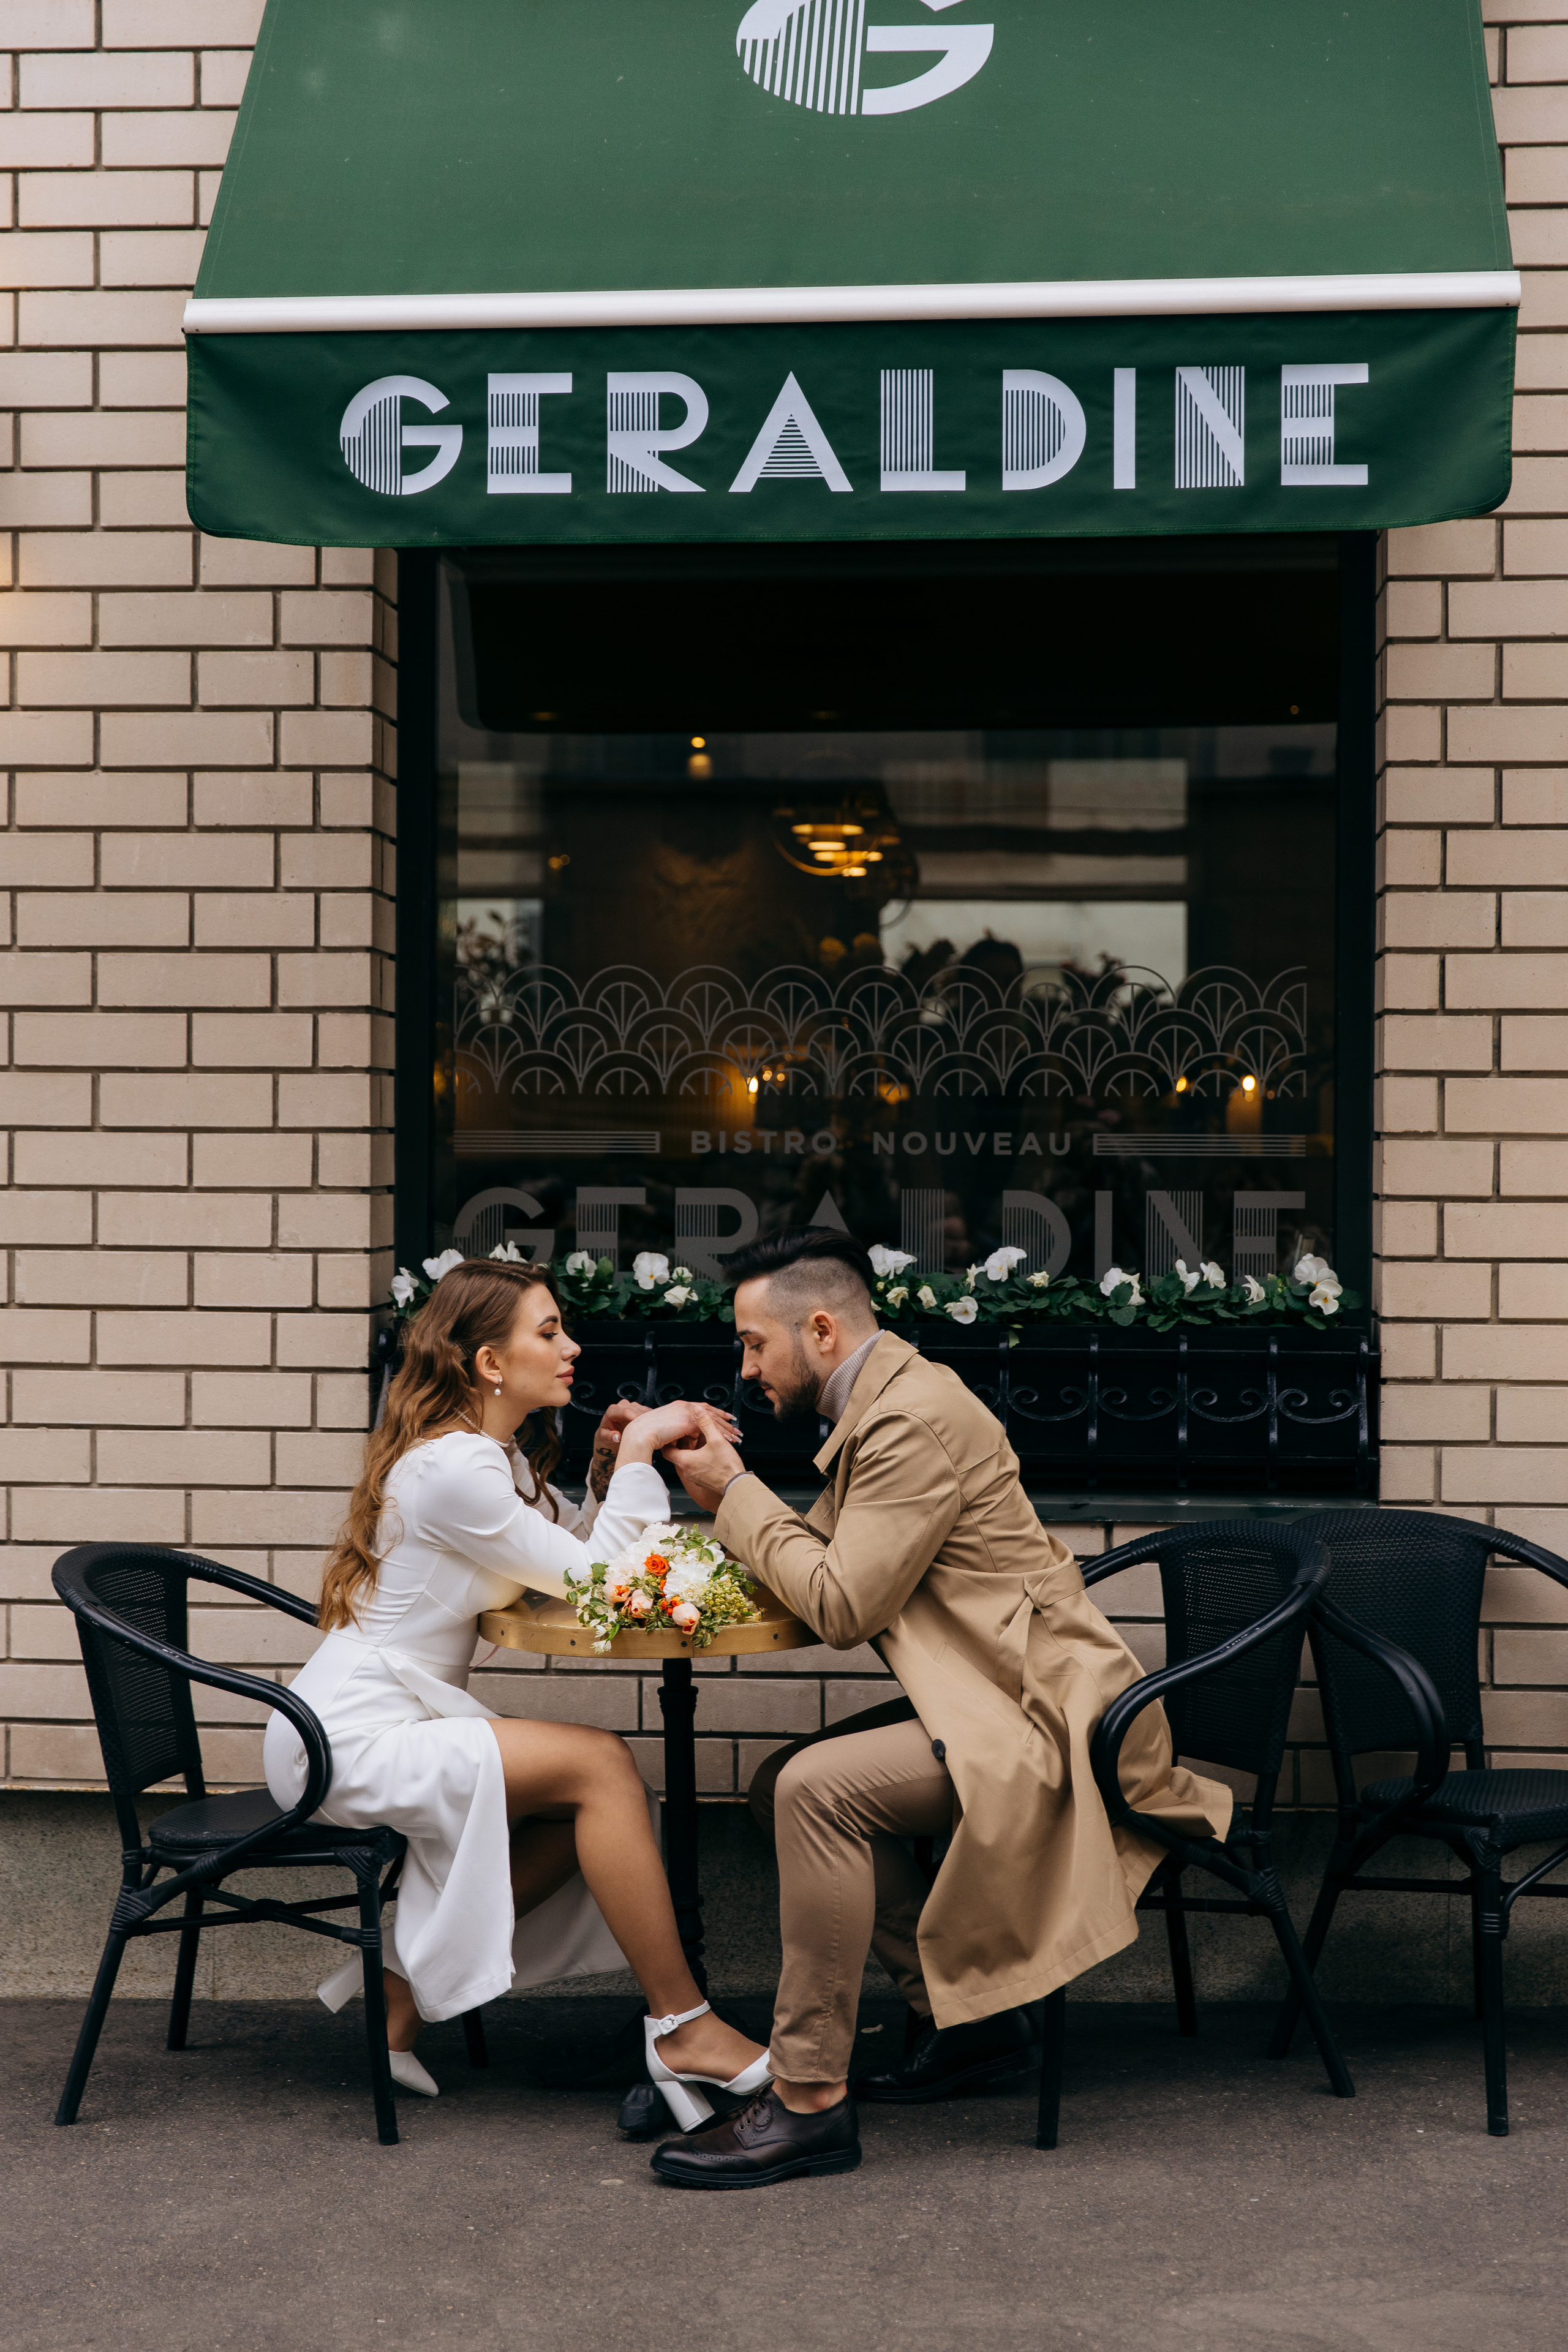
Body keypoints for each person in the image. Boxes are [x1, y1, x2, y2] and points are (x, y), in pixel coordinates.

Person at [647, 1229, 1232, 2190]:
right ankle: (974, 2022)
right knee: (777, 1785)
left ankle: (806, 2102)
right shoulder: (883, 1402)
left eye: (756, 1344)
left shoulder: (908, 1420)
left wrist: (737, 1494)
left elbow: (840, 1606)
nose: (745, 1367)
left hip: (1048, 1716)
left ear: (823, 1328)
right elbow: (823, 1567)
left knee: (814, 1792)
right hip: (992, 1694)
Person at [263, 1256, 769, 2117]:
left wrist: (609, 1471)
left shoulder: (484, 1457)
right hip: (348, 1740)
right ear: (490, 1364)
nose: (571, 1346)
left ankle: (395, 2005)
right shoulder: (457, 1468)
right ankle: (683, 2027)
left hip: (378, 1722)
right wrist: (649, 1445)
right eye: (548, 1332)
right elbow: (604, 1584)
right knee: (602, 1768)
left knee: (590, 1812)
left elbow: (567, 1547)